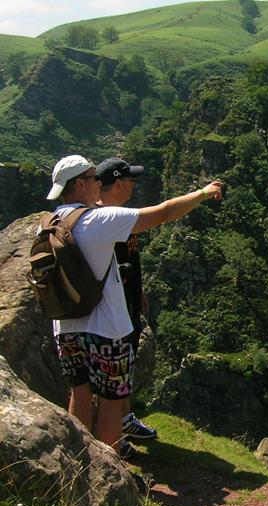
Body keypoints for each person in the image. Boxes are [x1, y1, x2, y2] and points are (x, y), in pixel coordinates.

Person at [46, 154, 222, 454]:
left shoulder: (48, 223)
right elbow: (164, 213)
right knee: (112, 405)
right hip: (105, 330)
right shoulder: (98, 220)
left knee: (80, 394)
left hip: (65, 326)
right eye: (92, 179)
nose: (97, 184)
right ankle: (112, 475)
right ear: (80, 184)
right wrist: (202, 193)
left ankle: (78, 464)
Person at [96, 158, 157, 458]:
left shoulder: (120, 216)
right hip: (113, 307)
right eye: (130, 180)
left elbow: (130, 259)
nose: (134, 185)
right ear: (117, 184)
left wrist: (140, 290)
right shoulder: (102, 219)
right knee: (115, 369)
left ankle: (125, 420)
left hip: (129, 299)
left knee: (127, 363)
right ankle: (113, 437)